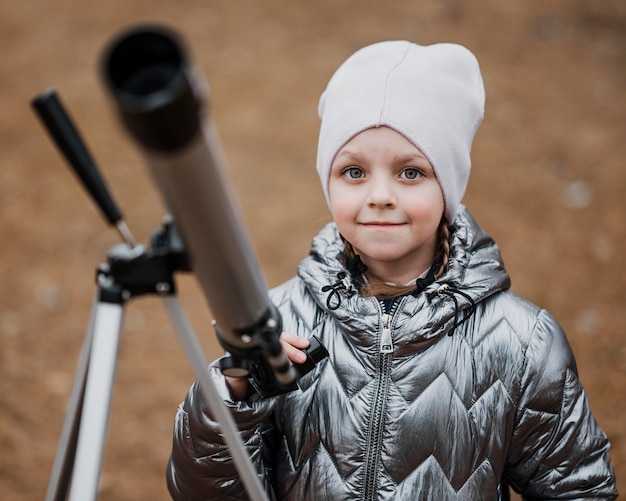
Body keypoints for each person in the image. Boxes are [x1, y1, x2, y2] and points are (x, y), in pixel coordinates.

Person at [166, 41, 617, 500]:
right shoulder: (279, 322)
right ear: (329, 182)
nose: (379, 195)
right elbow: (204, 492)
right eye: (355, 172)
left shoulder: (521, 343)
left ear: (449, 184)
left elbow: (579, 490)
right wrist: (237, 391)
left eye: (410, 172)